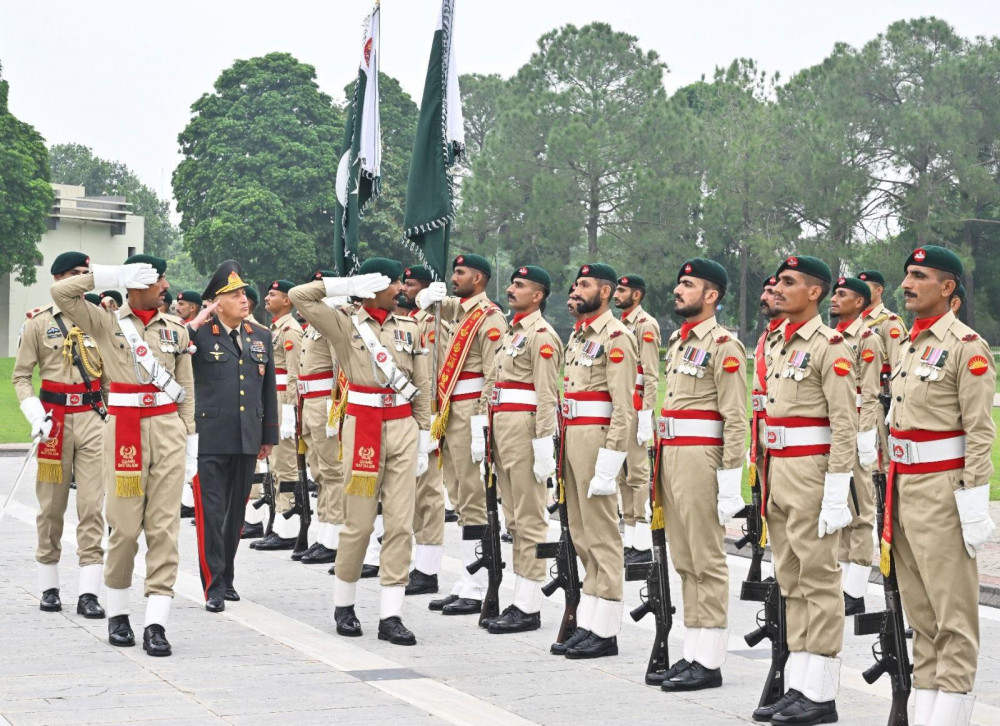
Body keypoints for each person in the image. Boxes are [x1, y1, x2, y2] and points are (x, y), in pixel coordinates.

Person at [51, 254, 195, 657]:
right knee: (126, 529)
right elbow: (61, 291)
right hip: (125, 428)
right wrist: (111, 275)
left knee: (165, 529)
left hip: (168, 427)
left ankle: (156, 622)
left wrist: (191, 437)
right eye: (156, 279)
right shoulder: (106, 320)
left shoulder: (176, 329)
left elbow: (185, 383)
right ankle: (117, 613)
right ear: (135, 284)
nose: (165, 286)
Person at [289, 259, 431, 645]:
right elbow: (298, 296)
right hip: (363, 423)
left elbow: (423, 382)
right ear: (374, 286)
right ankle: (345, 603)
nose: (401, 287)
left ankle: (391, 614)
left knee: (401, 523)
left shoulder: (410, 327)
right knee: (360, 523)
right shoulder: (344, 322)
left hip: (402, 424)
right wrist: (346, 283)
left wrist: (423, 435)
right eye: (394, 282)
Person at [886, 246, 995, 724]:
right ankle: (926, 709)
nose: (907, 283)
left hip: (941, 490)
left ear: (947, 287)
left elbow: (980, 430)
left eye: (919, 276)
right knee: (921, 615)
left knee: (952, 615)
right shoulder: (909, 343)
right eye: (907, 275)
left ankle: (950, 712)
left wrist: (972, 502)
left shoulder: (967, 346)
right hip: (903, 487)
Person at [753, 255, 857, 724]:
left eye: (789, 283)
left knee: (818, 580)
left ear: (815, 292)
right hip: (780, 471)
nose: (778, 289)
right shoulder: (777, 342)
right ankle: (798, 683)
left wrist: (837, 488)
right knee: (791, 580)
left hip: (813, 473)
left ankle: (820, 693)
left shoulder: (830, 345)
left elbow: (845, 424)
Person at [656, 259, 747, 691]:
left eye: (688, 284)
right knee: (685, 559)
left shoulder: (725, 345)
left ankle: (708, 660)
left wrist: (731, 480)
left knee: (706, 559)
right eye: (679, 283)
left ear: (711, 295)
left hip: (700, 458)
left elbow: (736, 419)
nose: (678, 289)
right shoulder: (678, 341)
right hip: (672, 455)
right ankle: (692, 650)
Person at [13, 251, 107, 619]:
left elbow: (112, 374)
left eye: (86, 273)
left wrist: (111, 416)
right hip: (54, 419)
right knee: (51, 508)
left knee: (91, 508)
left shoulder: (100, 318)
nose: (82, 280)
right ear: (57, 280)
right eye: (74, 274)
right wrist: (33, 411)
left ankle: (88, 592)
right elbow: (21, 375)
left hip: (92, 417)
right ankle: (49, 585)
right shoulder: (37, 323)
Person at [415, 254, 508, 615]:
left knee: (474, 499)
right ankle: (470, 579)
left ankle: (482, 584)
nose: (454, 277)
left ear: (479, 279)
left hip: (470, 413)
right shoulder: (462, 312)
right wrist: (429, 297)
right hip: (450, 412)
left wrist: (482, 421)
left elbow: (494, 373)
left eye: (460, 272)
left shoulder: (489, 318)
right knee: (459, 496)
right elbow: (440, 306)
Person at [552, 263, 636, 659]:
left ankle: (606, 630)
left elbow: (624, 407)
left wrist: (611, 458)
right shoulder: (578, 336)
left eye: (584, 284)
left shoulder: (616, 336)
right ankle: (589, 620)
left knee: (602, 536)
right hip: (573, 437)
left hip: (597, 440)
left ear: (605, 292)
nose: (575, 288)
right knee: (582, 535)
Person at [187, 261, 278, 612]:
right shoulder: (197, 334)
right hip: (209, 436)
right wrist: (195, 320)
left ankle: (227, 576)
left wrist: (267, 433)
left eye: (243, 293)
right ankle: (212, 584)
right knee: (211, 512)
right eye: (235, 294)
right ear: (216, 302)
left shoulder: (260, 336)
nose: (244, 299)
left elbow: (266, 387)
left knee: (235, 513)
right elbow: (173, 349)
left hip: (247, 436)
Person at [484, 265, 562, 634]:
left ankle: (528, 605)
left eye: (520, 285)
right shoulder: (512, 332)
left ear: (538, 295)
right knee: (512, 518)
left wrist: (545, 442)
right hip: (503, 428)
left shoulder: (541, 335)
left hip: (526, 430)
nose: (511, 290)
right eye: (512, 284)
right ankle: (518, 597)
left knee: (529, 518)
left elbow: (547, 395)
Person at [829, 277, 884, 616]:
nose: (834, 299)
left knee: (861, 511)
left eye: (842, 294)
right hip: (836, 431)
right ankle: (843, 579)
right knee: (840, 508)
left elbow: (871, 393)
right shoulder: (832, 338)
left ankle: (857, 589)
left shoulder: (868, 338)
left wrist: (866, 439)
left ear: (860, 302)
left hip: (858, 430)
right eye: (834, 293)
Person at [400, 265, 448, 596]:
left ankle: (428, 569)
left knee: (430, 494)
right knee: (413, 493)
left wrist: (432, 420)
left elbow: (438, 370)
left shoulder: (435, 323)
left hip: (429, 414)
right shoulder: (411, 322)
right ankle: (418, 562)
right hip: (409, 414)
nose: (404, 289)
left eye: (411, 284)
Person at [294, 271, 346, 566]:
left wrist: (336, 405)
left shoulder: (331, 321)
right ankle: (324, 532)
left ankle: (334, 536)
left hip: (325, 402)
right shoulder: (313, 326)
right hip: (309, 402)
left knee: (332, 471)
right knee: (319, 471)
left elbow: (340, 365)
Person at [251, 280, 305, 550]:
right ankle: (278, 523)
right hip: (274, 398)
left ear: (287, 301)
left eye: (273, 294)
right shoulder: (275, 328)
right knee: (275, 465)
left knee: (285, 465)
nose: (267, 297)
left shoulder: (291, 330)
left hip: (284, 400)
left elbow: (295, 373)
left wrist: (290, 411)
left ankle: (288, 527)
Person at [613, 274, 660, 566]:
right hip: (621, 406)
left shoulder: (645, 325)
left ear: (637, 295)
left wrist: (646, 414)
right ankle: (630, 539)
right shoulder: (620, 325)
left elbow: (652, 375)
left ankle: (641, 545)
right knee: (622, 475)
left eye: (622, 290)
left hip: (636, 408)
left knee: (638, 475)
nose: (616, 294)